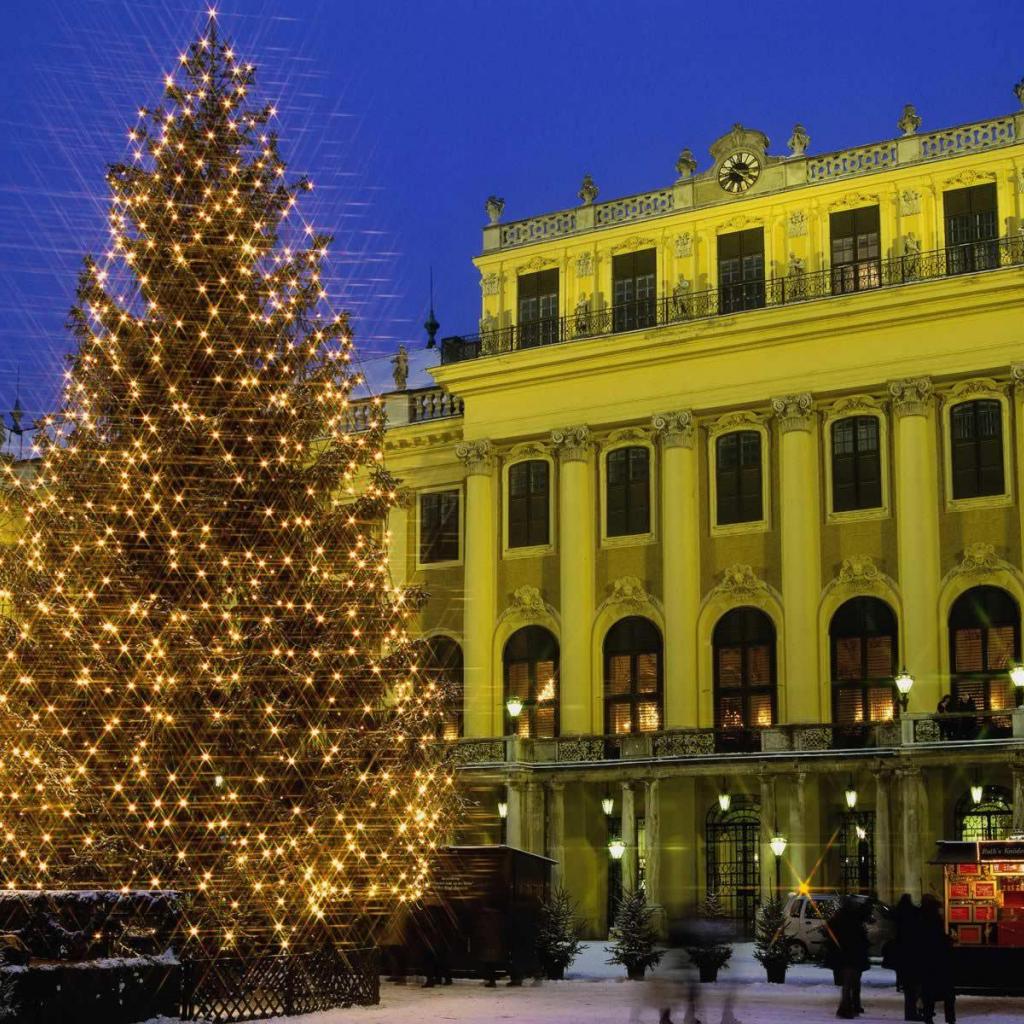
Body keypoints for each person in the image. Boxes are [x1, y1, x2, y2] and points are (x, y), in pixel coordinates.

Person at [829, 898, 870, 1018]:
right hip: (852, 955)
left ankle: (848, 1007)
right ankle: (847, 1007)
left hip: (846, 955)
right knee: (852, 983)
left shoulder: (839, 918)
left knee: (849, 983)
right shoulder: (853, 920)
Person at [919, 896, 956, 1024]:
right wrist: (948, 940)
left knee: (928, 993)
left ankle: (928, 1017)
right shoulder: (935, 921)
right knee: (948, 993)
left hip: (927, 962)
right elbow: (940, 939)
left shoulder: (920, 920)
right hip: (940, 961)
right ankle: (950, 1018)